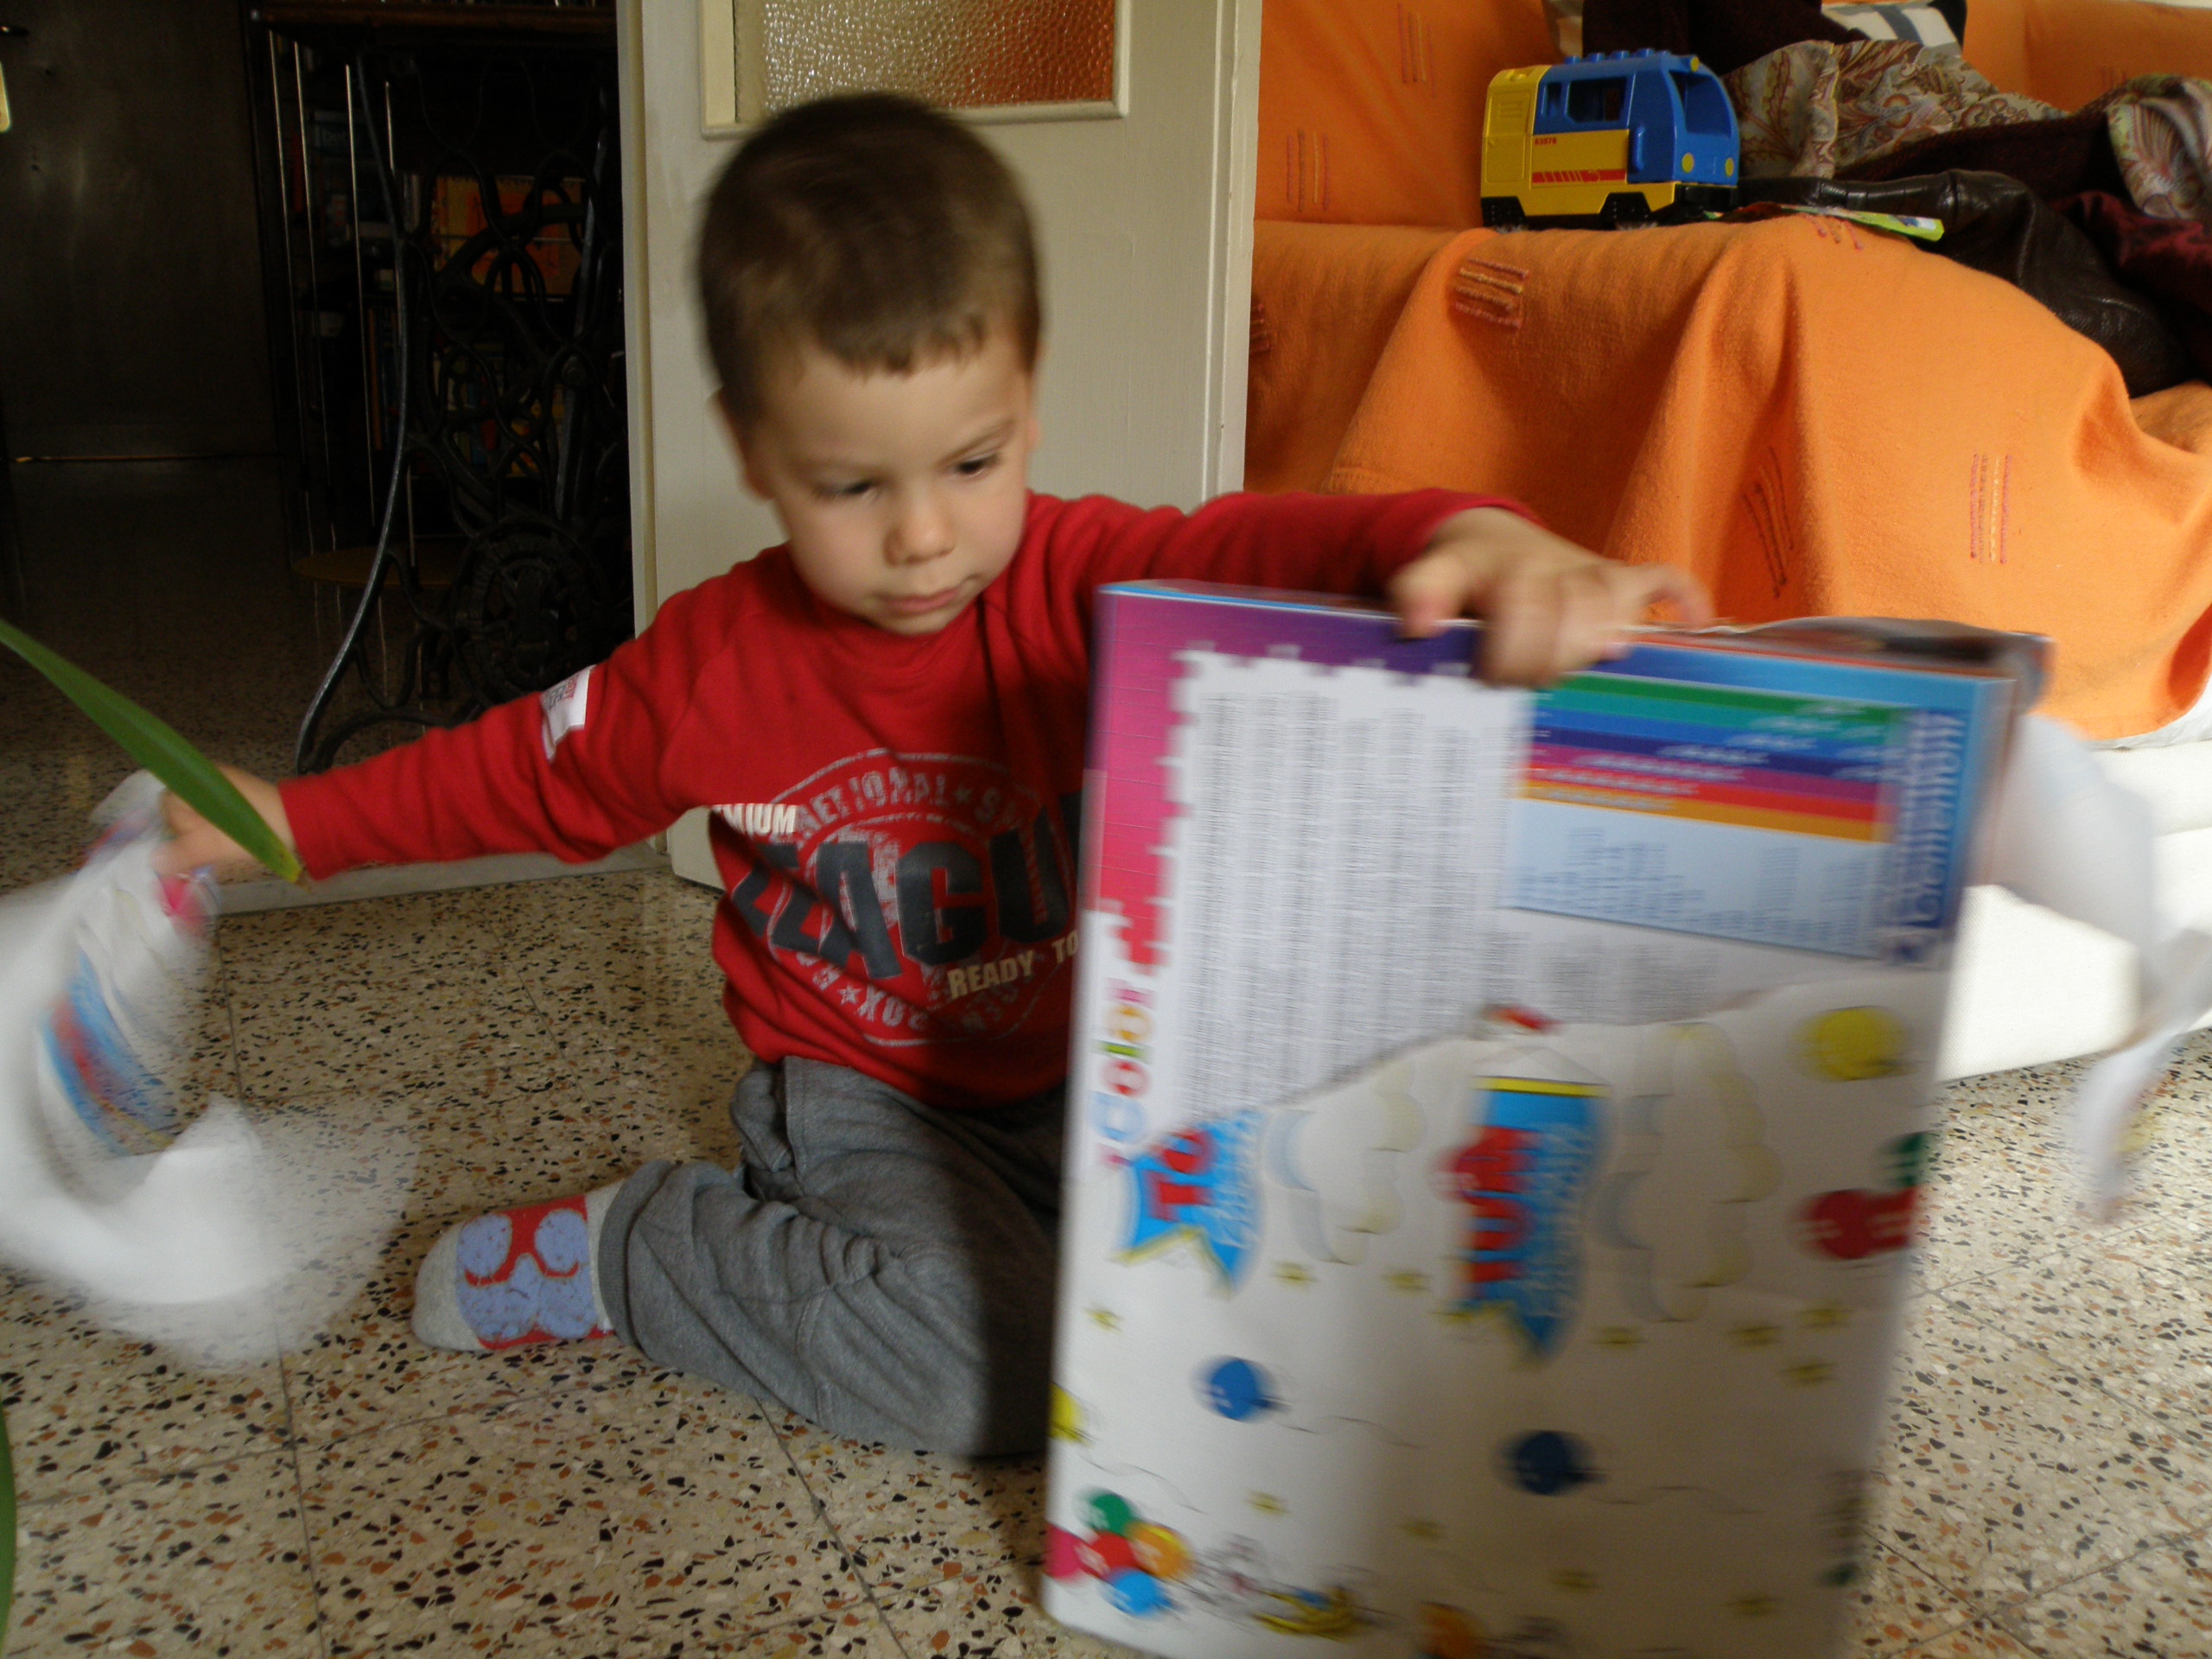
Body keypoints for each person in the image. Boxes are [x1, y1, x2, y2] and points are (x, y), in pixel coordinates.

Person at [161, 93, 1710, 1456]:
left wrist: (1472, 539)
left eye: (972, 464)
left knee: (1285, 1286)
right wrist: (283, 827)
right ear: (754, 451)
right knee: (1001, 1368)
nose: (922, 538)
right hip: (860, 1100)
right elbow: (511, 779)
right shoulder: (709, 666)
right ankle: (633, 1251)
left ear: (1027, 401)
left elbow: (1277, 548)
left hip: (1090, 1063)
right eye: (851, 485)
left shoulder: (1084, 579)